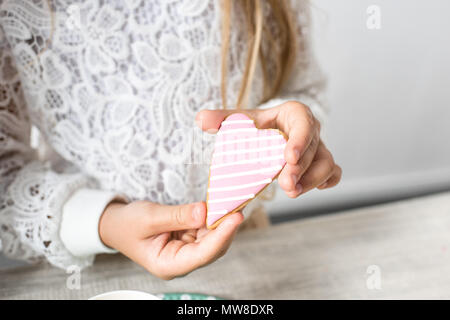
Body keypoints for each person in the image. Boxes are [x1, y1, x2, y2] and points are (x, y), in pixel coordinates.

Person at [0, 0, 341, 279]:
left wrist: (289, 136)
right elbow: (5, 174)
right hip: (87, 268)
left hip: (246, 253)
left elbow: (301, 89)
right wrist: (104, 221)